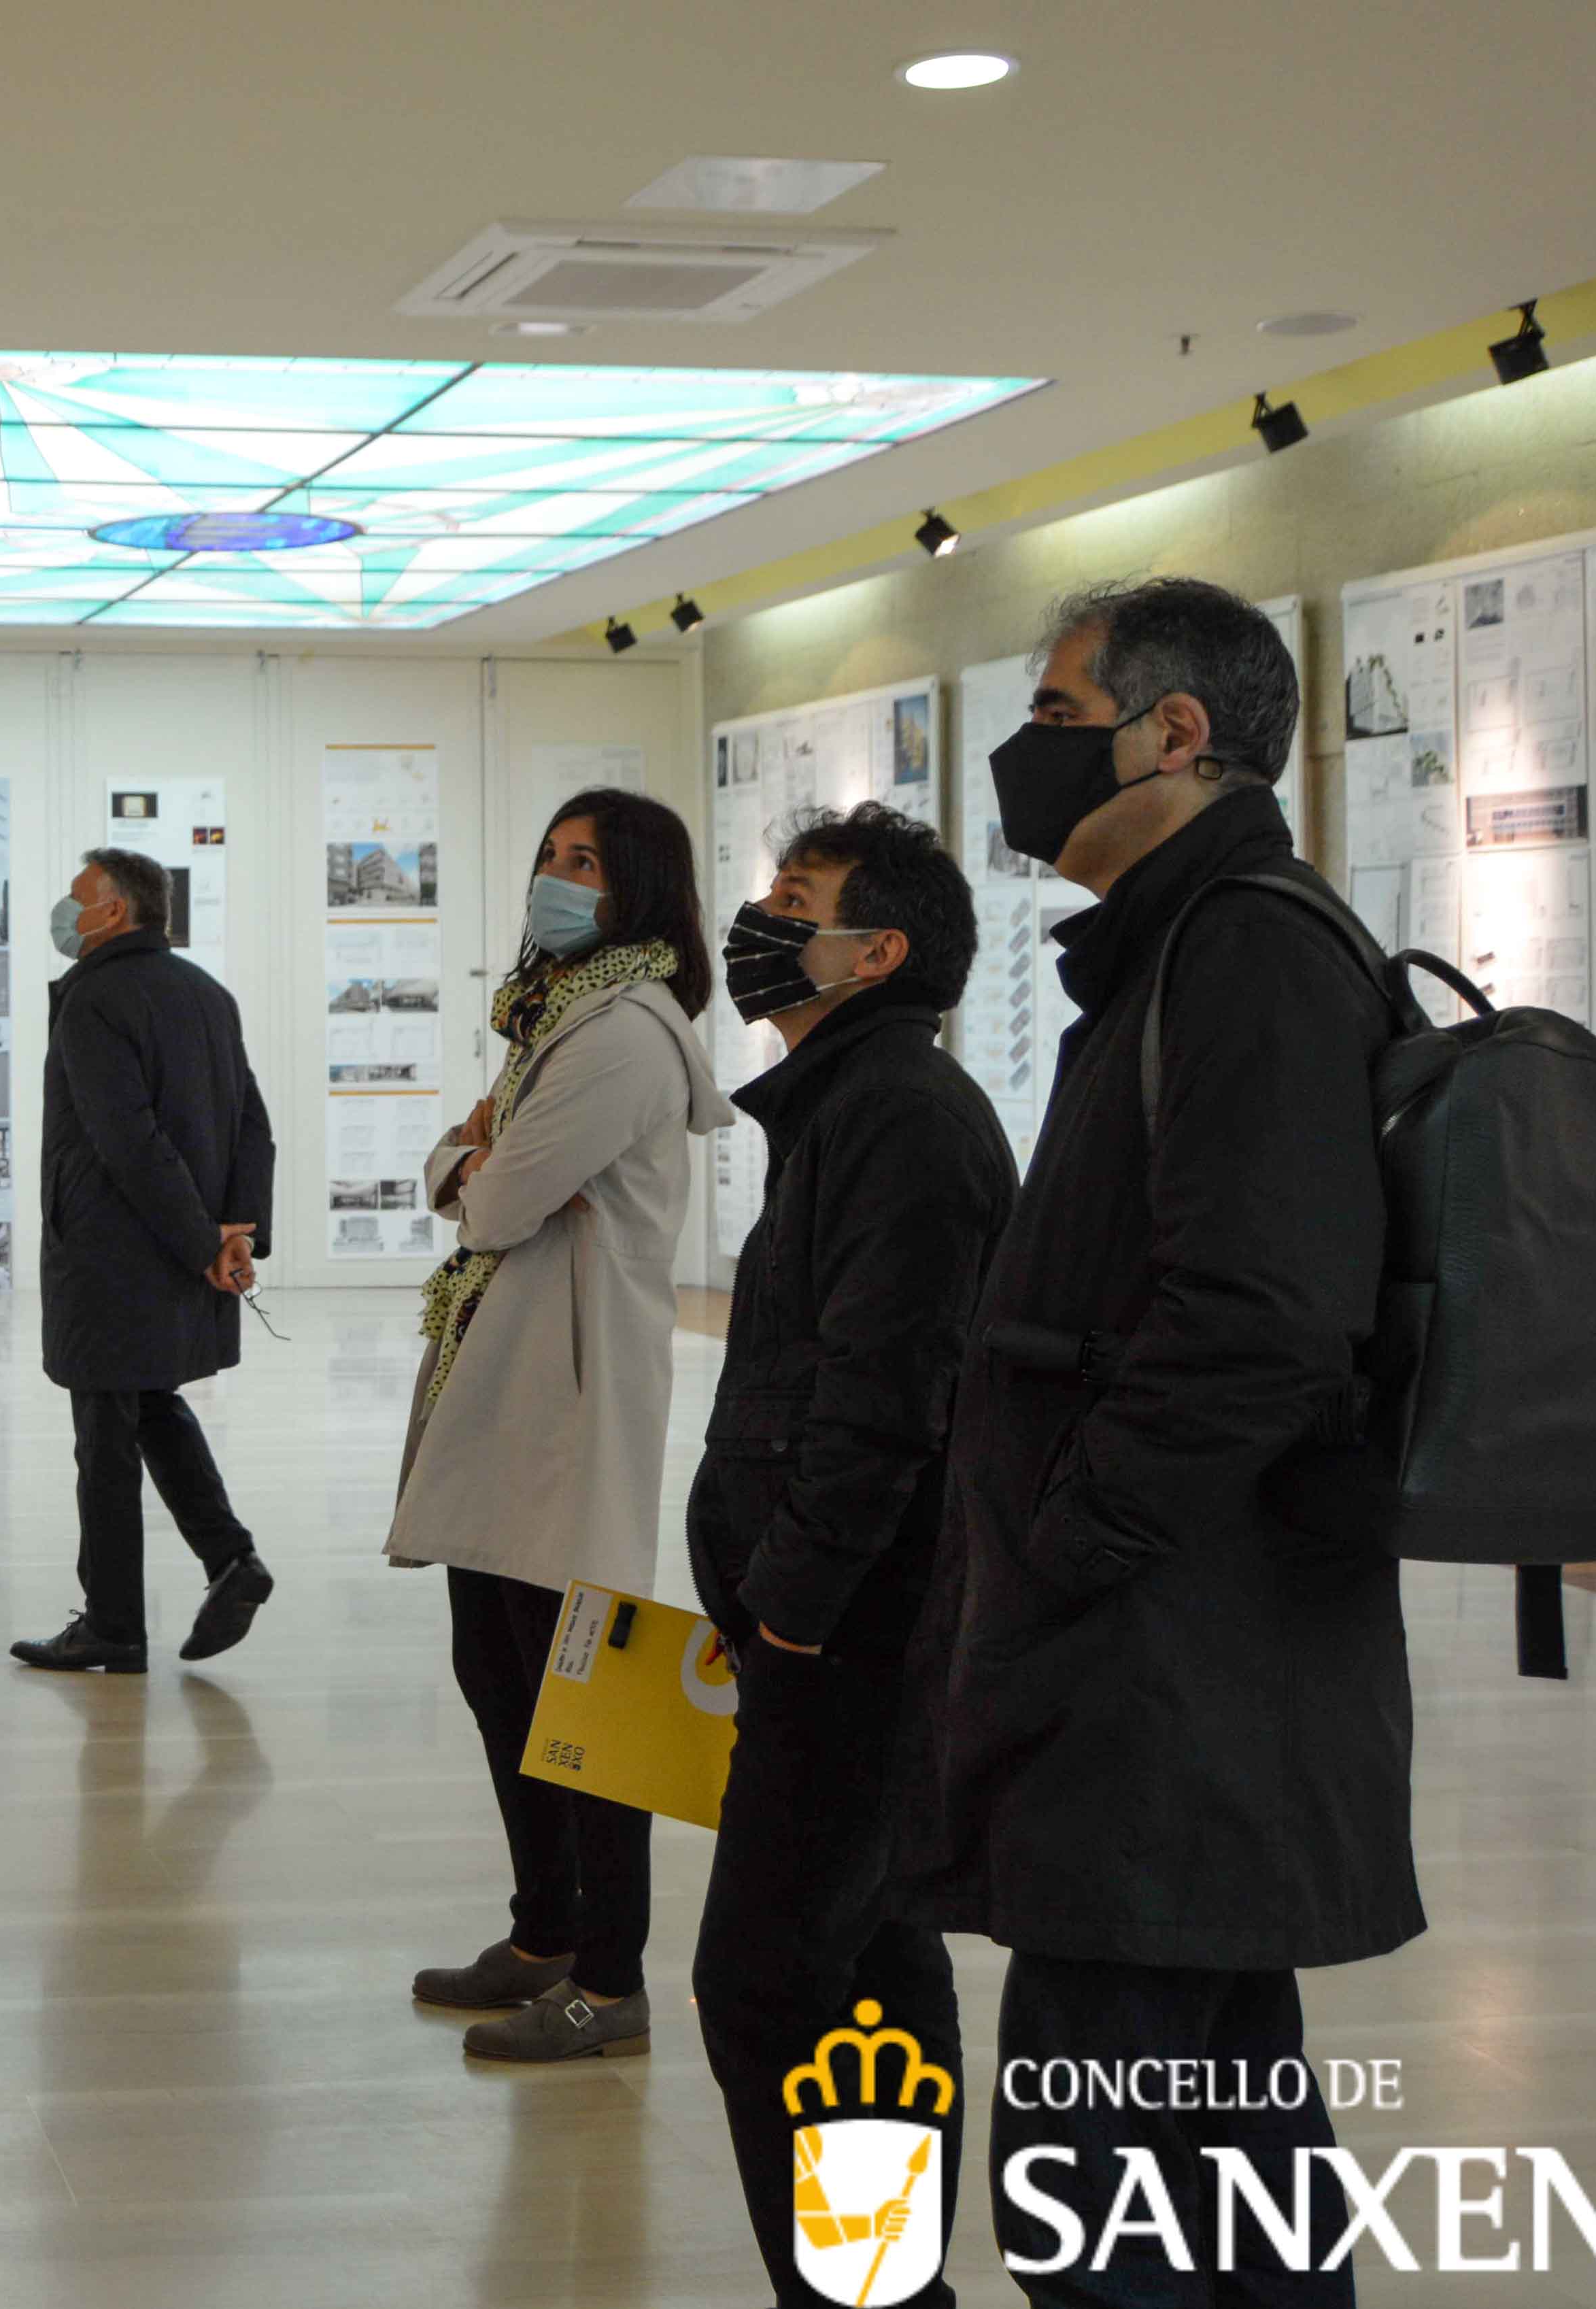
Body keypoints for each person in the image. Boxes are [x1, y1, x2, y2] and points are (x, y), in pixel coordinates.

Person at [915, 578, 1416, 2304]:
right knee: (1223, 2160)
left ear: (1173, 733)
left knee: (1094, 2181)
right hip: (1177, 1671)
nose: (1026, 752)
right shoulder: (1195, 946)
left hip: (1170, 1675)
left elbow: (1261, 1317)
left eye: (1057, 715)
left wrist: (1070, 1538)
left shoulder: (1247, 953)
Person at [685, 803, 1011, 2309]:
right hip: (834, 1625)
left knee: (768, 1980)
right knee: (868, 1968)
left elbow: (887, 1390)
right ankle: (886, 2288)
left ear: (875, 951)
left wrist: (796, 1605)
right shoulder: (853, 1103)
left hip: (857, 1633)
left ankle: (868, 2294)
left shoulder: (900, 1119)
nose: (760, 920)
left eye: (792, 900)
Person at [388, 786, 731, 2062]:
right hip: (514, 1378)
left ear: (637, 886)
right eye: (548, 854)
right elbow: (473, 1162)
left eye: (584, 860)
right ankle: (542, 1933)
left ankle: (613, 1975)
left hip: (572, 1396)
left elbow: (490, 1196)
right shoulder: (558, 1021)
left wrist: (474, 1163)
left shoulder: (624, 1038)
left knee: (585, 1692)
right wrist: (473, 1158)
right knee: (499, 1671)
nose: (556, 876)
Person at [12, 848, 277, 1674]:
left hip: (112, 1253)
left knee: (105, 1434)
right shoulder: (207, 993)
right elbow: (253, 1124)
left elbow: (128, 1141)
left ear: (116, 913)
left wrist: (208, 1242)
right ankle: (231, 1558)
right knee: (149, 1402)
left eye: (77, 897)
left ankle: (114, 1623)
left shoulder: (95, 998)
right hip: (176, 1250)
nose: (65, 908)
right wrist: (235, 1229)